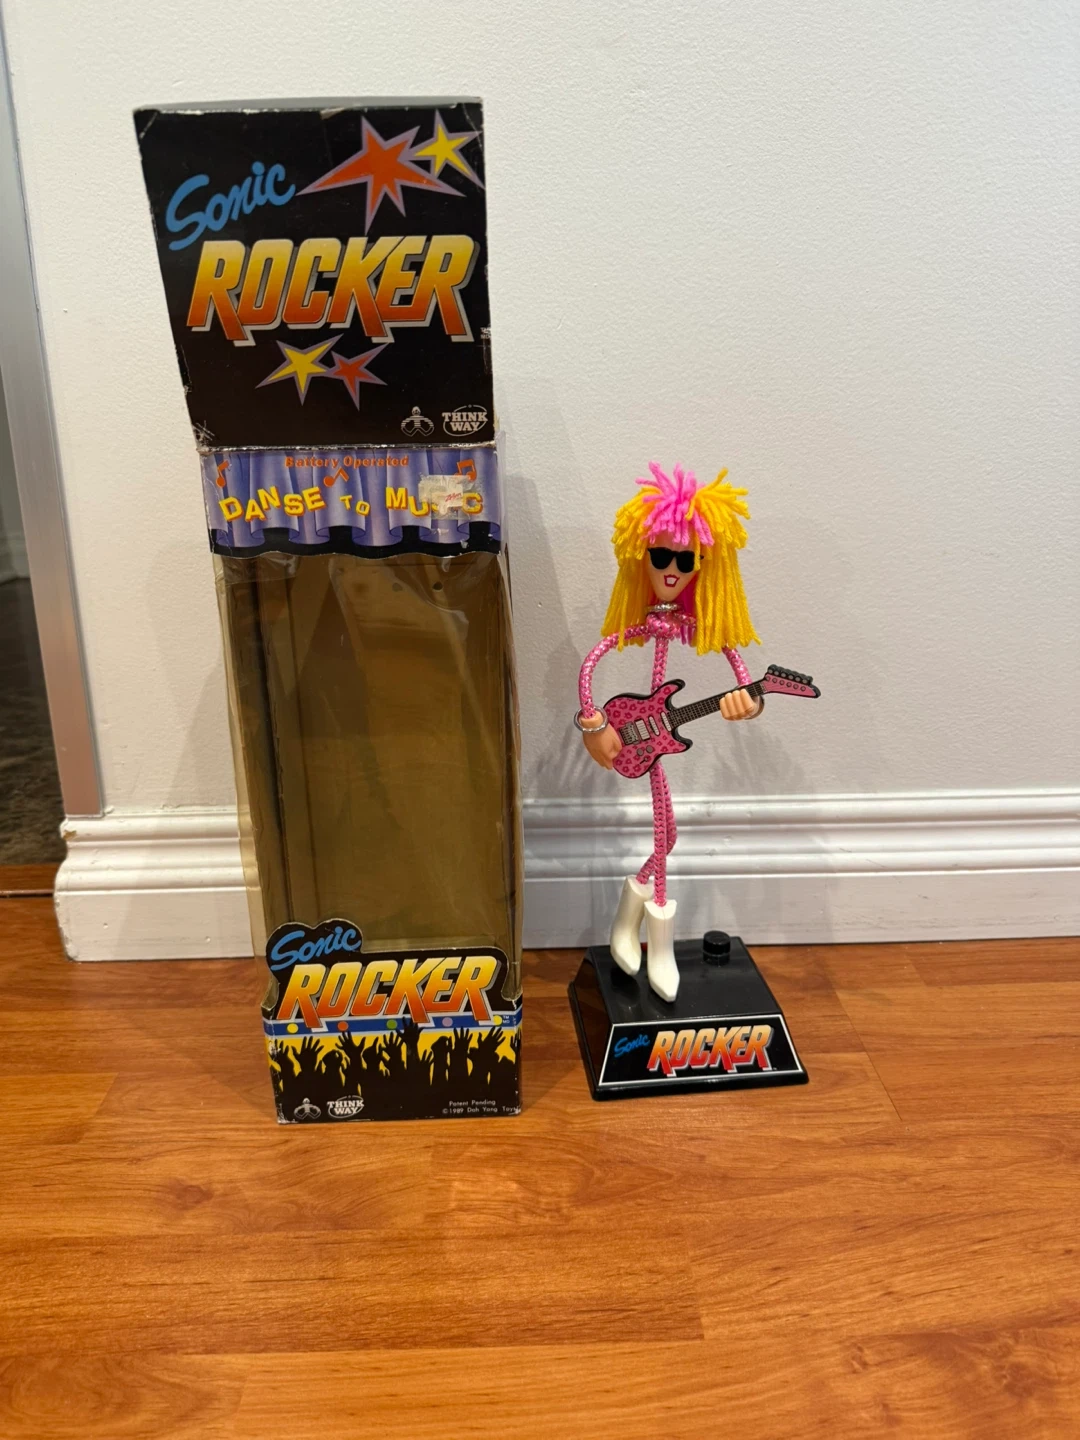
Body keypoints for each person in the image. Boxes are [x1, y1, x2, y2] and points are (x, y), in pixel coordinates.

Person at [576, 463, 762, 1002]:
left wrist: (747, 703)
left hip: (658, 745)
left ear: (706, 566)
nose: (673, 570)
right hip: (637, 745)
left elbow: (743, 678)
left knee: (668, 835)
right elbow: (591, 666)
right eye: (661, 557)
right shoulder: (639, 625)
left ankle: (634, 922)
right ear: (641, 558)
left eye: (687, 560)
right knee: (667, 835)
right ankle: (641, 933)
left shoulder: (702, 629)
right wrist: (594, 725)